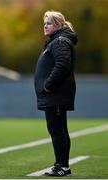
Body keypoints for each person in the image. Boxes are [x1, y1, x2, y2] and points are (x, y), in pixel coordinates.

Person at [34, 10, 78, 177]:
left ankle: (62, 166)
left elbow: (62, 65)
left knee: (57, 130)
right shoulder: (56, 41)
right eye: (44, 23)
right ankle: (62, 166)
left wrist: (47, 86)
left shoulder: (59, 41)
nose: (45, 26)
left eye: (49, 23)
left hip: (55, 94)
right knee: (58, 129)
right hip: (54, 95)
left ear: (58, 25)